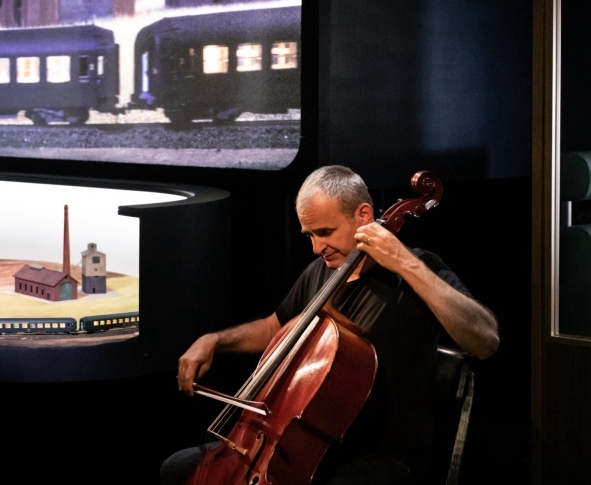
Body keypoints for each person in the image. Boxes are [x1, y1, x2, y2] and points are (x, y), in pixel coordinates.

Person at [161, 165, 499, 485]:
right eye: (309, 235)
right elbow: (273, 328)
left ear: (363, 215)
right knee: (179, 468)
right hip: (316, 443)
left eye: (324, 233)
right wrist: (214, 340)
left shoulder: (418, 268)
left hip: (385, 455)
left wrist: (406, 264)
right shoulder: (322, 273)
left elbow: (486, 340)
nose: (316, 247)